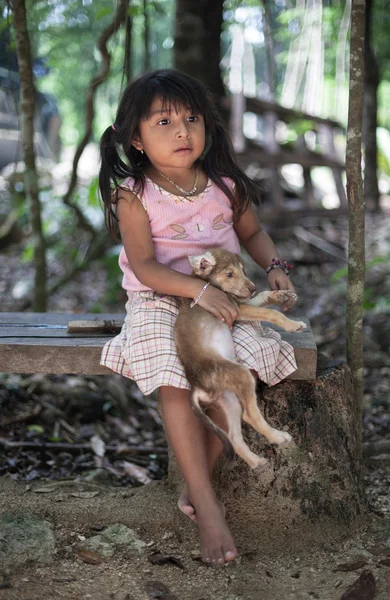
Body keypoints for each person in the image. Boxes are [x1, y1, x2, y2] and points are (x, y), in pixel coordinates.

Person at [98, 69, 298, 566]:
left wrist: (274, 268)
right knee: (172, 371)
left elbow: (253, 235)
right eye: (163, 121)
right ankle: (207, 506)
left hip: (222, 299)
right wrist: (197, 290)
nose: (182, 131)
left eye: (191, 119)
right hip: (159, 299)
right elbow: (144, 265)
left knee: (242, 366)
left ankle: (204, 469)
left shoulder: (226, 186)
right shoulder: (134, 193)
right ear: (137, 140)